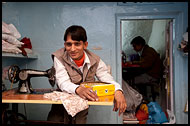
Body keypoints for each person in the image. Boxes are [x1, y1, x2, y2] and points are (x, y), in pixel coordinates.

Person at [47, 25, 127, 124]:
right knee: (55, 121)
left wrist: (118, 91)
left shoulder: (95, 60)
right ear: (65, 45)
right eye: (69, 44)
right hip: (61, 103)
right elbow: (63, 82)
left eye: (77, 44)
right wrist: (78, 89)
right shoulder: (58, 57)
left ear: (85, 45)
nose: (72, 49)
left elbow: (107, 78)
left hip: (82, 103)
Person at [126, 36, 162, 100]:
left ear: (140, 45)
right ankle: (142, 97)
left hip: (152, 76)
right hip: (149, 74)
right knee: (133, 79)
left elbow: (145, 64)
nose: (134, 48)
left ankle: (139, 99)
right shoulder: (146, 51)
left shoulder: (149, 52)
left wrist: (133, 63)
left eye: (134, 46)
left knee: (130, 81)